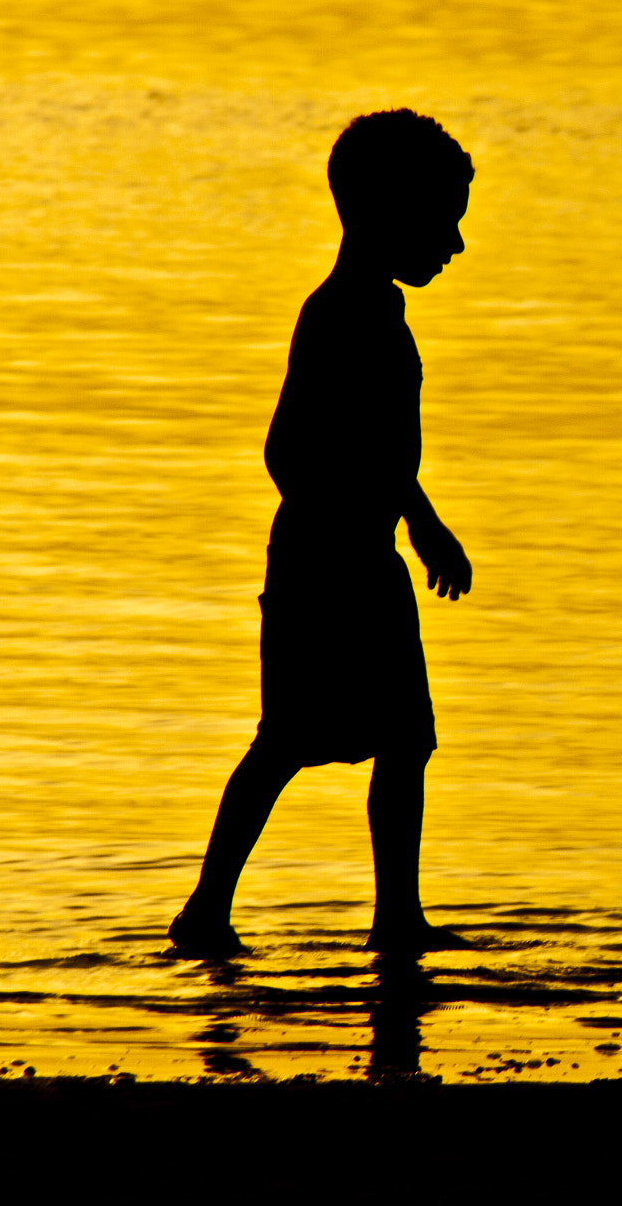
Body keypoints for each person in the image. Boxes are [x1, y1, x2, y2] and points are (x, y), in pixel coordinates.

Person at [169, 109, 476, 959]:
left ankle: (396, 915)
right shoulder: (342, 314)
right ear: (387, 213)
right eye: (442, 219)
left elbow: (378, 447)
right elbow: (288, 446)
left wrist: (422, 522)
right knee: (289, 739)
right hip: (325, 566)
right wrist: (345, 527)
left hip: (367, 561)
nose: (453, 242)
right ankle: (208, 907)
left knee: (405, 736)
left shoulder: (379, 312)